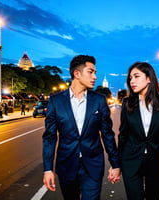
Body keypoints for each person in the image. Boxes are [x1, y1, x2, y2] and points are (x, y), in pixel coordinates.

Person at [42, 55, 120, 200]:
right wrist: (47, 169)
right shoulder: (55, 101)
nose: (95, 77)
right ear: (77, 74)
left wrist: (115, 164)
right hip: (66, 165)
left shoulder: (99, 100)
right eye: (91, 72)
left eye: (95, 73)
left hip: (93, 165)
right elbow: (49, 138)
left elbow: (107, 134)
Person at [118, 62, 159, 200]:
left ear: (149, 79)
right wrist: (117, 165)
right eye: (130, 78)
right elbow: (123, 135)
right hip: (130, 162)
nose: (132, 81)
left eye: (136, 76)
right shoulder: (126, 104)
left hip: (155, 162)